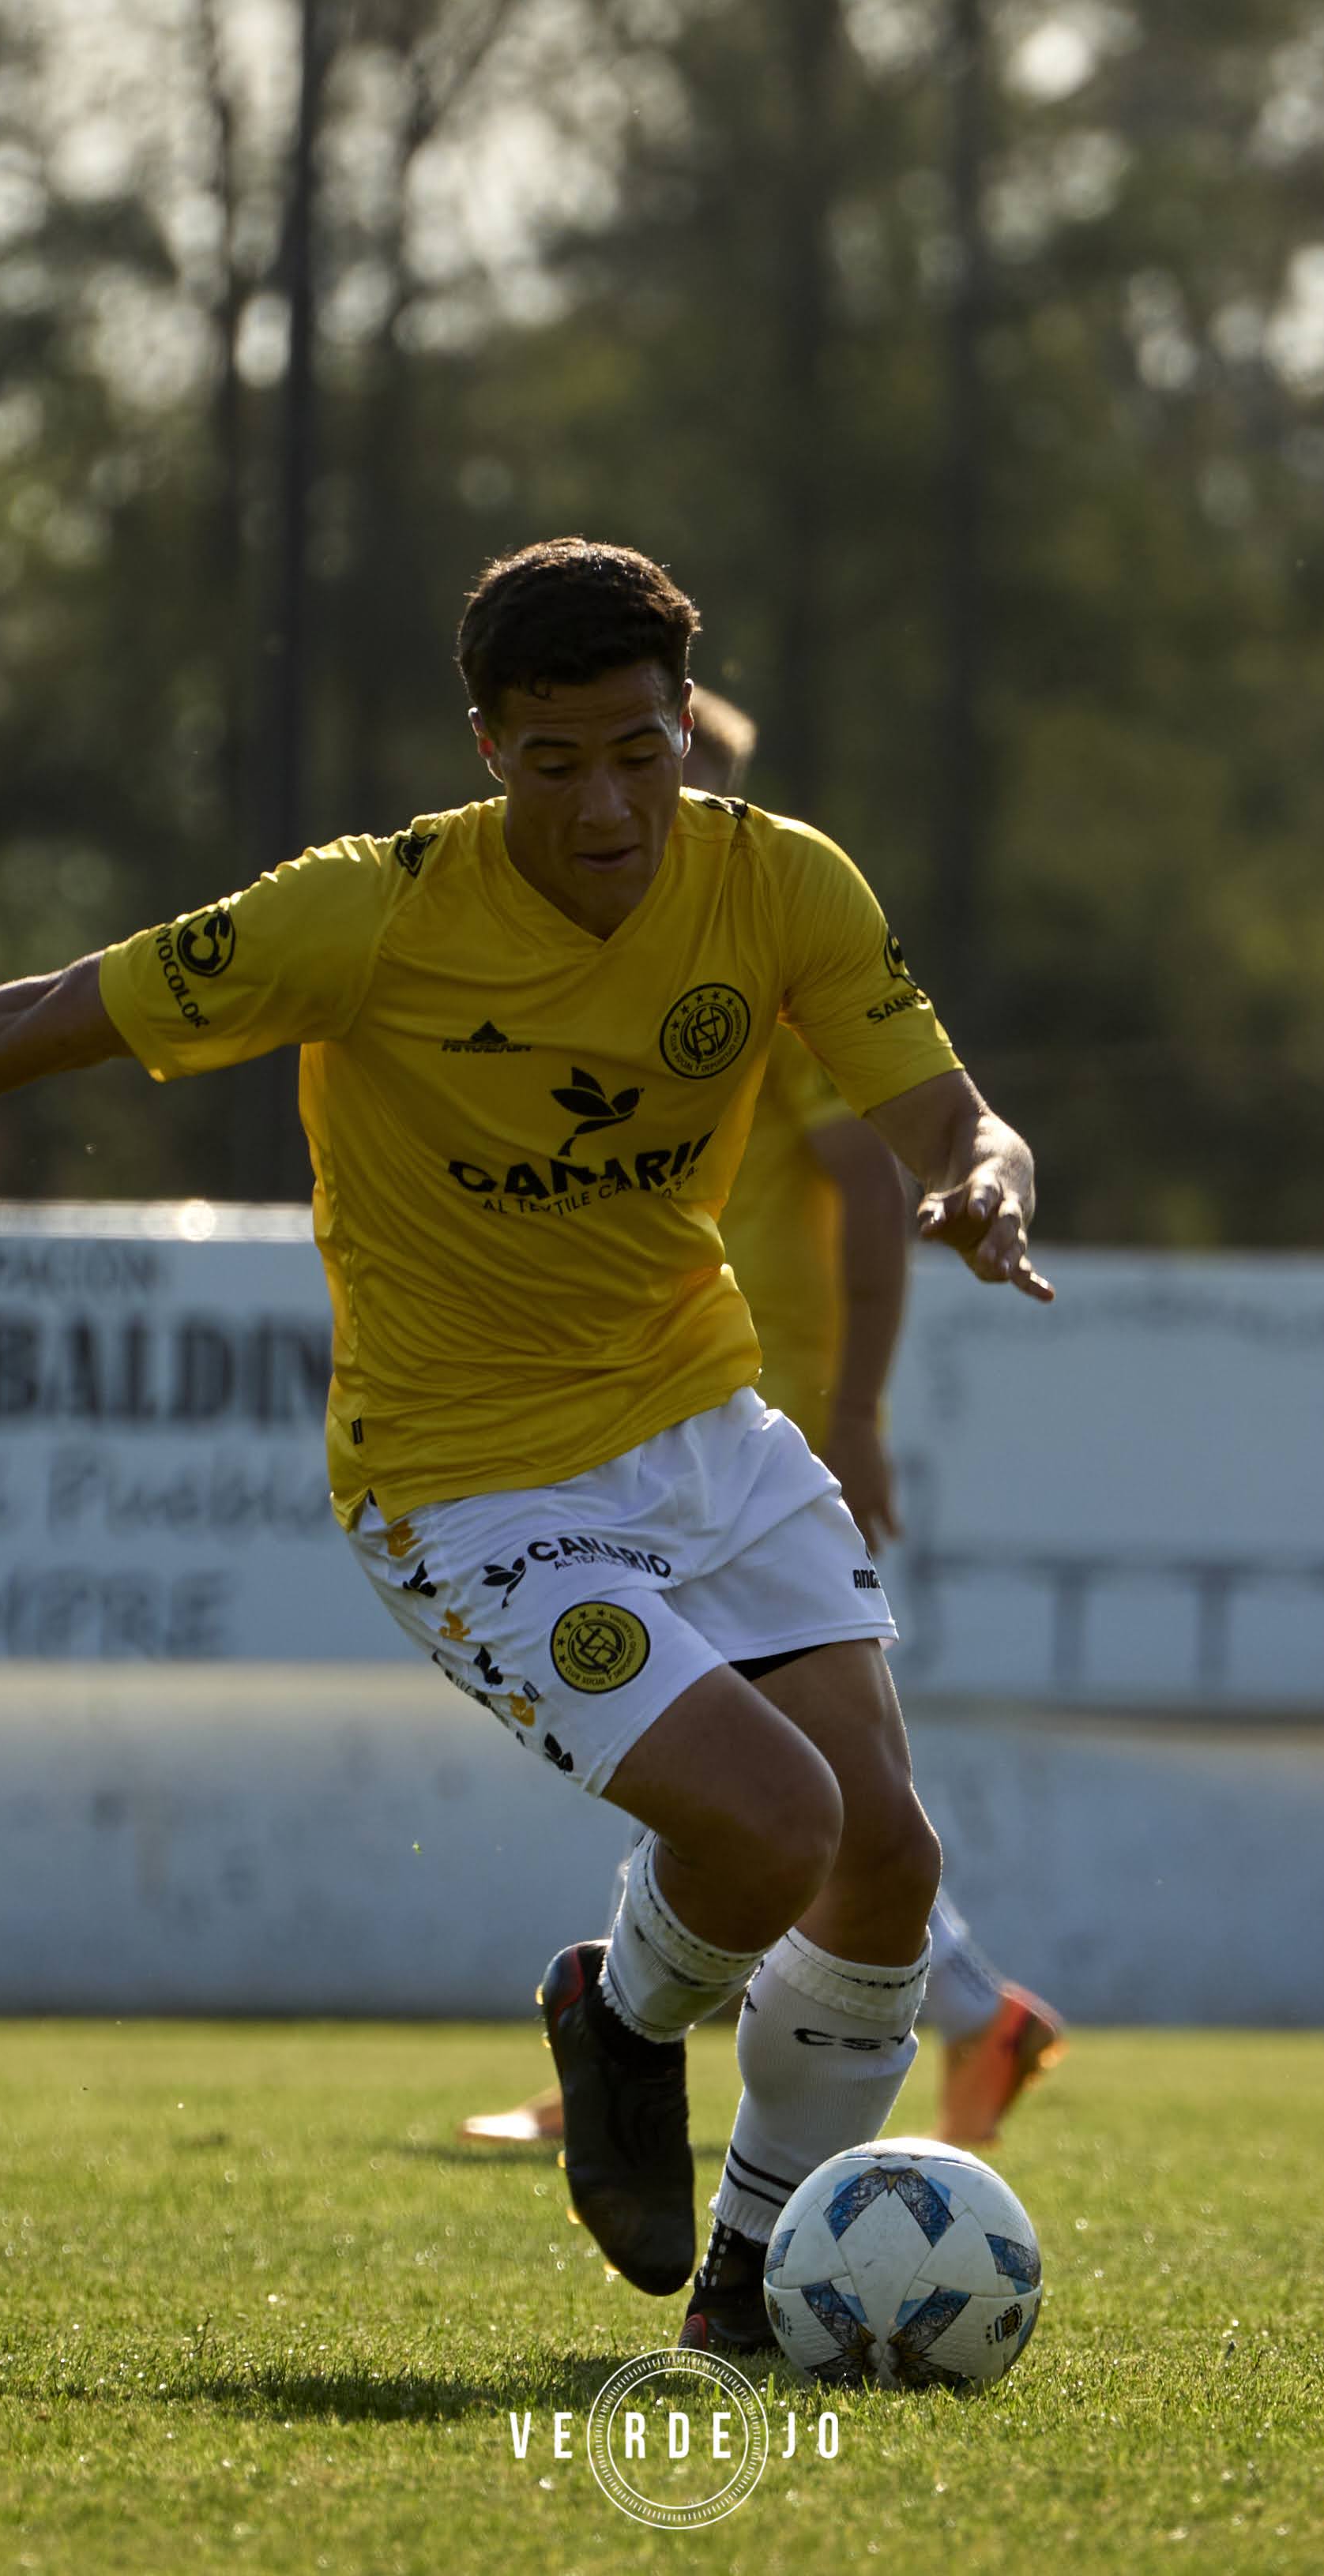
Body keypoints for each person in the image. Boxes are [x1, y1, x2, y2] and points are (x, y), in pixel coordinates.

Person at [0, 539, 1051, 2360]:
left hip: (704, 1424)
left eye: (641, 753)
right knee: (773, 1827)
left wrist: (984, 1179)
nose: (608, 806)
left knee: (886, 1862)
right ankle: (621, 2018)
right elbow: (51, 1013)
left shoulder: (781, 882)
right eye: (556, 763)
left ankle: (749, 2289)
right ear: (487, 750)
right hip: (474, 1483)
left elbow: (951, 1117)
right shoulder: (367, 913)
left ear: (687, 725)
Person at [453, 685, 1063, 2160]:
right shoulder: (611, 961)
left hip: (738, 1410)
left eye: (653, 774)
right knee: (747, 1774)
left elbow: (868, 1187)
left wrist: (850, 1411)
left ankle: (686, 2039)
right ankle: (687, 2037)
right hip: (662, 1400)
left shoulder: (758, 971)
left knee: (750, 1776)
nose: (614, 822)